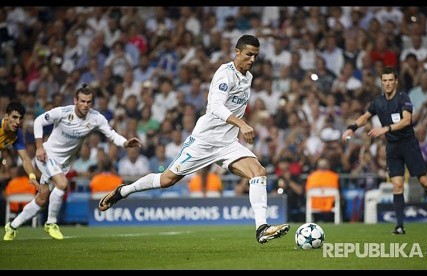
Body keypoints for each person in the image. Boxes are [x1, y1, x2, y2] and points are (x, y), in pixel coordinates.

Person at [98, 35, 290, 244]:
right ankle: (123, 191)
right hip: (204, 140)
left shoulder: (248, 77)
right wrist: (242, 125)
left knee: (259, 172)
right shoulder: (224, 74)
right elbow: (215, 107)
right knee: (166, 180)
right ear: (237, 52)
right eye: (248, 54)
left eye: (256, 55)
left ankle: (261, 228)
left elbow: (236, 108)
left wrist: (242, 126)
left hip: (227, 144)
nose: (252, 59)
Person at [4, 83, 141, 241]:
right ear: (75, 100)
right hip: (46, 155)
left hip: (63, 163)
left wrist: (125, 143)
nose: (85, 105)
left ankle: (12, 226)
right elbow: (38, 121)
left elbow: (111, 134)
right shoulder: (62, 112)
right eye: (82, 101)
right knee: (62, 184)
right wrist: (39, 147)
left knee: (42, 198)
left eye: (89, 102)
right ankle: (51, 223)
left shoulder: (96, 118)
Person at [341, 66, 427, 234]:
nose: (387, 84)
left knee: (424, 182)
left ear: (396, 82)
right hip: (393, 148)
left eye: (390, 81)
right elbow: (365, 117)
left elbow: (406, 121)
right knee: (397, 185)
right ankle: (400, 226)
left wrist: (385, 129)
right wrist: (351, 128)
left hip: (409, 144)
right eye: (384, 81)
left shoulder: (403, 98)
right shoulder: (378, 102)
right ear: (382, 82)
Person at [1, 101, 41, 241]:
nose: (17, 122)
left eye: (20, 118)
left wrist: (31, 176)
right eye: (14, 117)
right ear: (6, 116)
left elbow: (24, 158)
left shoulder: (16, 134)